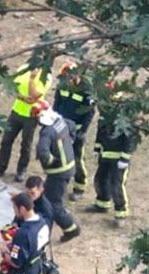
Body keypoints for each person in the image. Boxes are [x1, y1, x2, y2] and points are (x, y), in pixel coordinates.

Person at [0, 65, 50, 183]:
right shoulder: (23, 68)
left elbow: (34, 95)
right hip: (16, 112)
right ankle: (0, 168)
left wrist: (32, 79)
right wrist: (23, 97)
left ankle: (21, 170)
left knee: (26, 144)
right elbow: (13, 88)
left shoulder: (46, 76)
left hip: (31, 116)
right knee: (6, 141)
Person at [92, 92, 139, 227]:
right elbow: (100, 132)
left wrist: (125, 158)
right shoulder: (104, 116)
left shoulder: (125, 118)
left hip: (118, 158)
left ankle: (121, 212)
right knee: (100, 180)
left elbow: (130, 139)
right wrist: (97, 148)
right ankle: (102, 203)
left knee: (116, 185)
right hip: (105, 154)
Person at [36, 108, 82, 242]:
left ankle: (71, 229)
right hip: (69, 167)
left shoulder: (46, 132)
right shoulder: (60, 121)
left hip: (58, 173)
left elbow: (43, 152)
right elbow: (72, 126)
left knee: (53, 203)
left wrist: (51, 162)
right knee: (46, 196)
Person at [52, 62, 97, 200]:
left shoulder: (86, 89)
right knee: (58, 156)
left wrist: (83, 131)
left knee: (77, 159)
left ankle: (79, 186)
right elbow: (56, 104)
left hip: (77, 130)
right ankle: (58, 183)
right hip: (61, 127)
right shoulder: (62, 86)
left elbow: (90, 113)